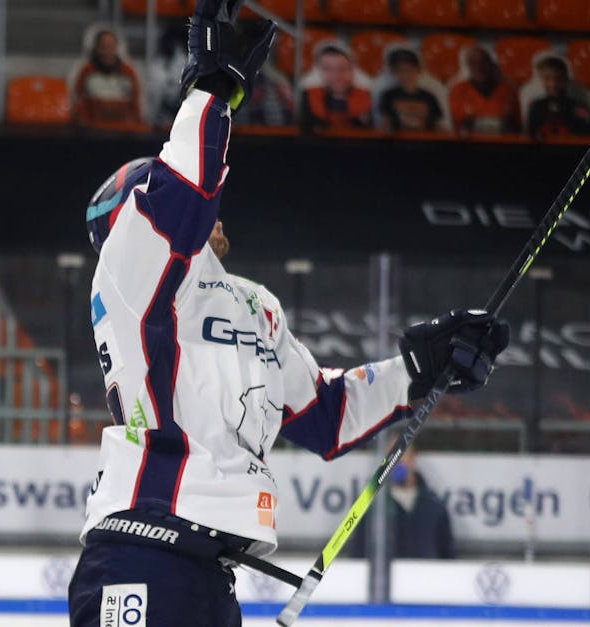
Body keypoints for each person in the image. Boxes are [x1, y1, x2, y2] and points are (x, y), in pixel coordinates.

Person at [70, 3, 509, 625]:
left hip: (210, 573)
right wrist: (212, 90)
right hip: (142, 550)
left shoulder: (255, 304)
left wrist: (420, 369)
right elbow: (181, 194)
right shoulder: (126, 275)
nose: (212, 203)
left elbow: (325, 415)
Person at [347, 448, 457, 560]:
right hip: (386, 577)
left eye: (401, 454)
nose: (396, 461)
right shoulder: (371, 510)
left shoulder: (434, 508)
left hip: (426, 576)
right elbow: (358, 556)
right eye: (391, 457)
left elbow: (448, 557)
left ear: (413, 458)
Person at [70, 25, 145, 128]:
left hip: (123, 131)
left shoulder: (128, 73)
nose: (107, 52)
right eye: (103, 47)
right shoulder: (86, 72)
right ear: (96, 48)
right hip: (93, 131)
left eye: (111, 47)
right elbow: (78, 102)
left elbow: (136, 106)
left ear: (117, 49)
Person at [450, 45, 522, 137]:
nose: (479, 67)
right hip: (469, 147)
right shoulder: (458, 90)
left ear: (490, 63)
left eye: (483, 61)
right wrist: (500, 123)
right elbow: (460, 126)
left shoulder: (509, 90)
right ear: (468, 65)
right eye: (473, 63)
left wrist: (475, 122)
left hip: (503, 146)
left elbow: (516, 127)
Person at [300, 44, 373, 134]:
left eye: (343, 68)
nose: (336, 75)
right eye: (328, 69)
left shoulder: (367, 97)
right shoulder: (309, 96)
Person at [526, 55, 590, 140]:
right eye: (547, 79)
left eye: (558, 79)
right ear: (542, 80)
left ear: (566, 79)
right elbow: (530, 136)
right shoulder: (536, 106)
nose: (552, 84)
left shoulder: (578, 107)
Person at [376, 47, 446, 133]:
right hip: (398, 143)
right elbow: (386, 122)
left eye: (410, 69)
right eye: (400, 70)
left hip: (425, 143)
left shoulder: (429, 97)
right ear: (394, 72)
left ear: (418, 70)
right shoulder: (388, 95)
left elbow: (438, 125)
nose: (405, 74)